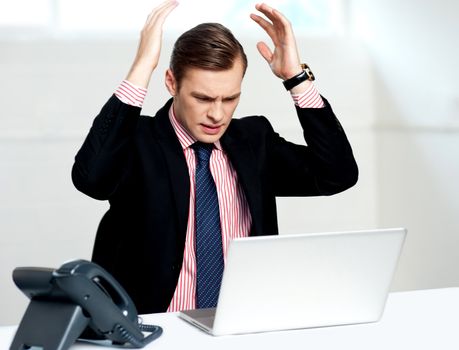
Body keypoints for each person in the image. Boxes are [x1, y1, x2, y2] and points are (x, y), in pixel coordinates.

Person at [72, 1, 358, 314]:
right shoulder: (138, 141)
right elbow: (92, 180)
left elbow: (337, 174)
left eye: (230, 98)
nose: (217, 114)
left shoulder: (253, 141)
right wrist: (142, 66)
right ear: (172, 83)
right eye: (202, 98)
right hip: (152, 330)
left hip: (240, 325)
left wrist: (296, 79)